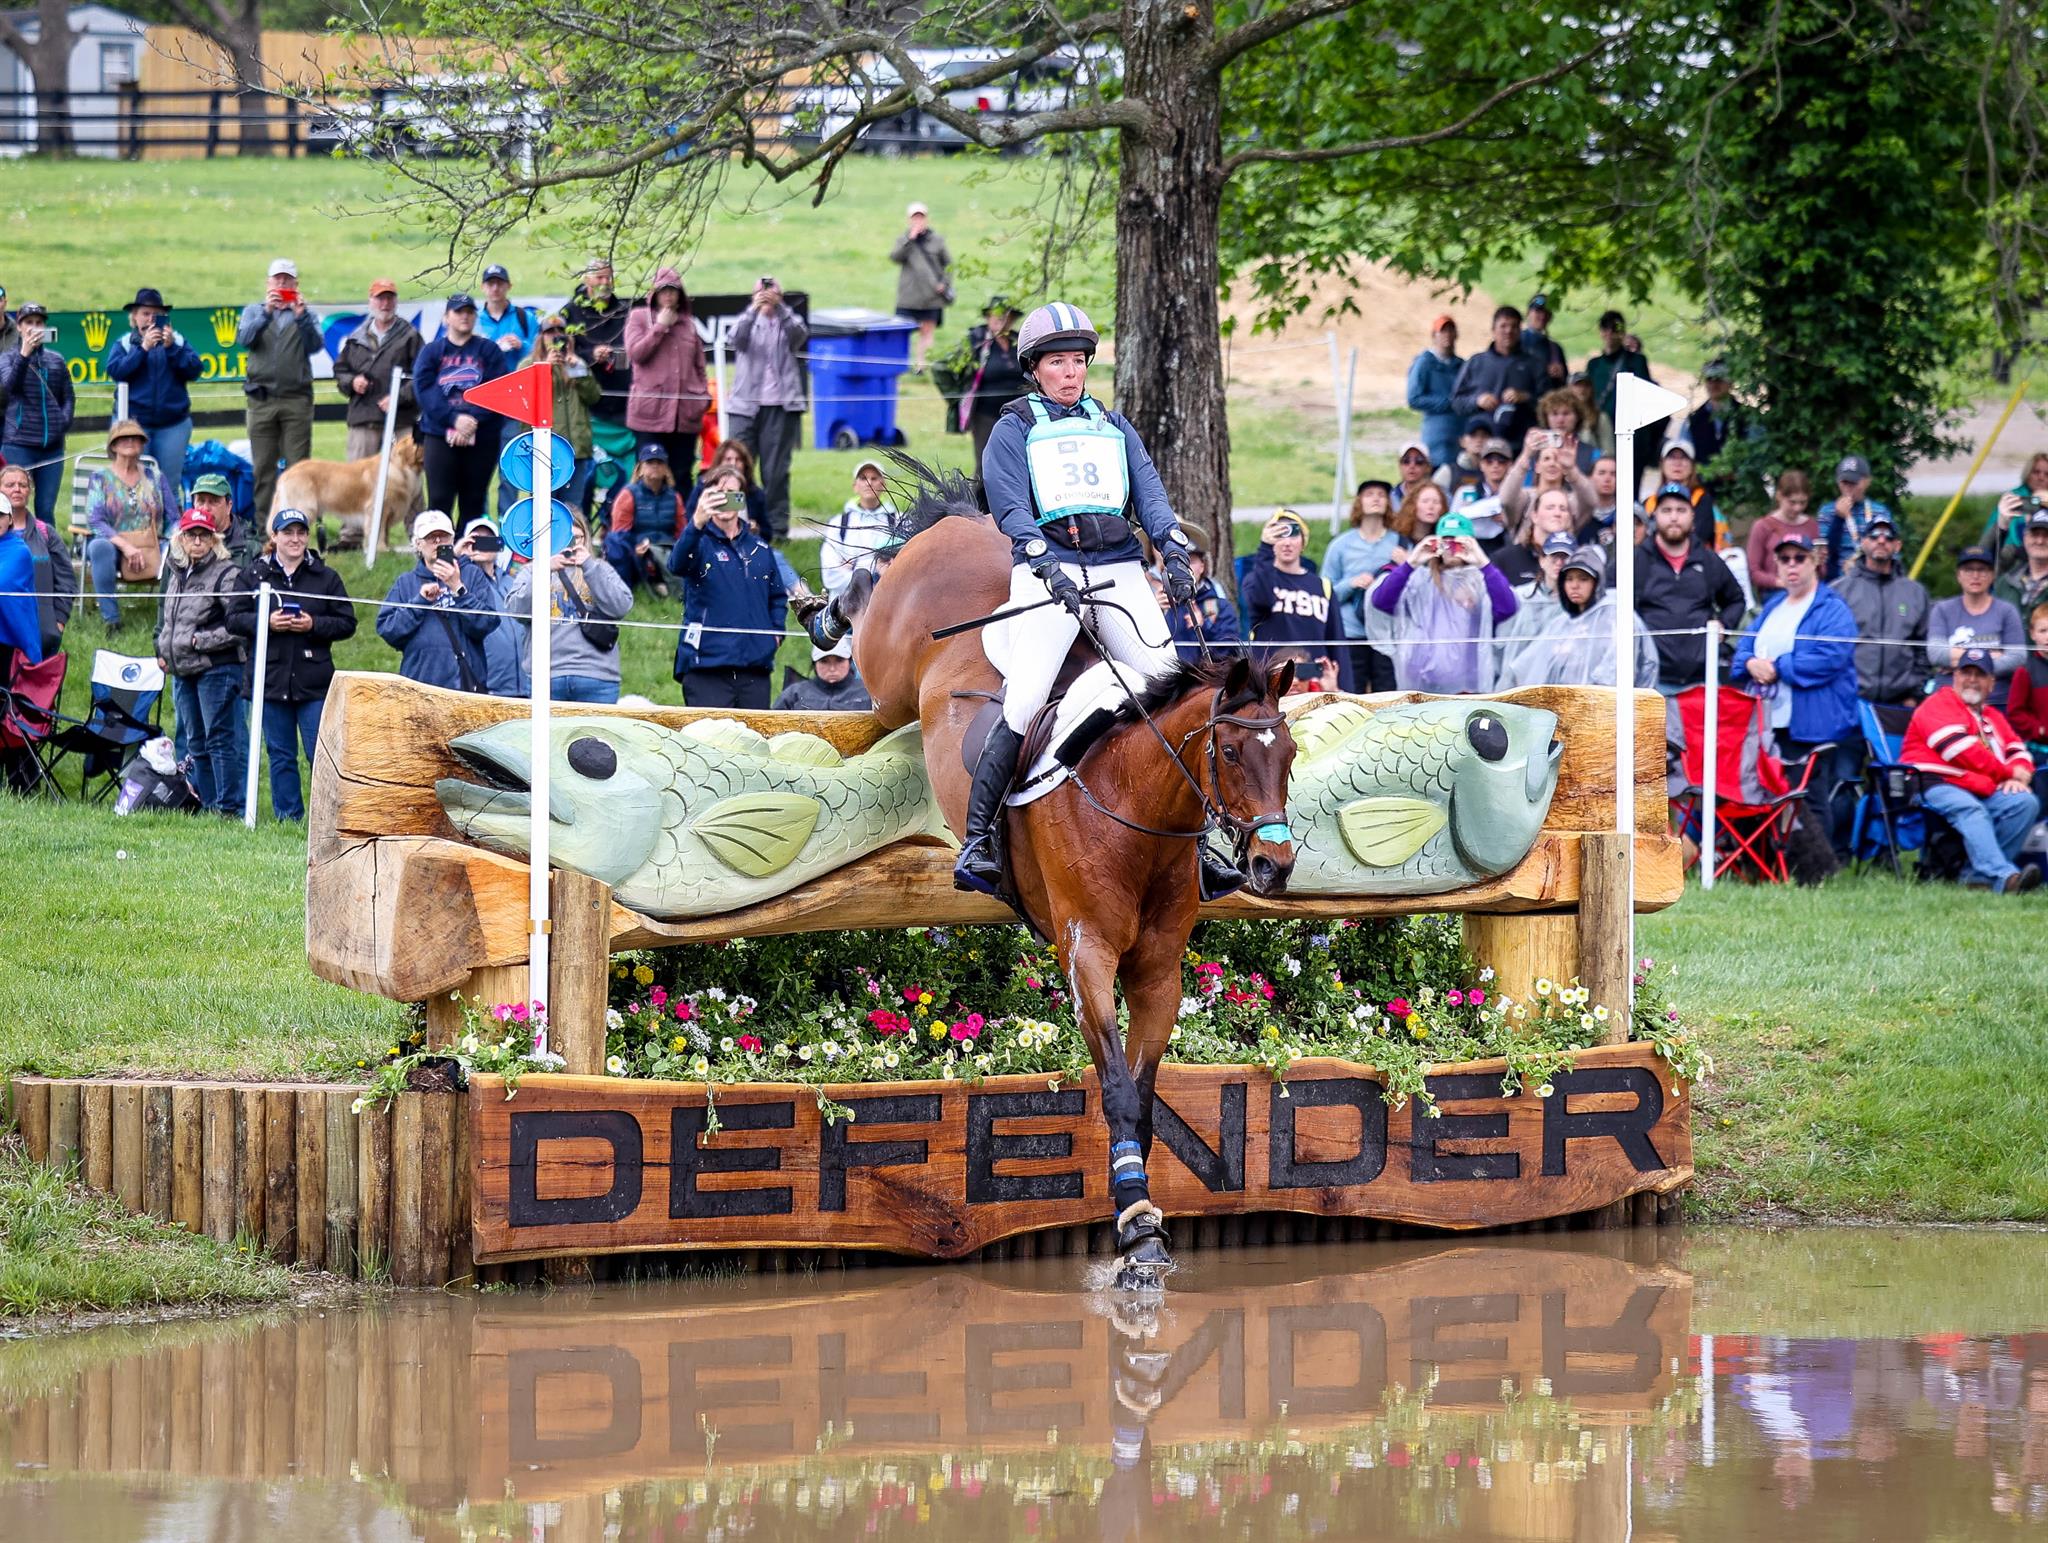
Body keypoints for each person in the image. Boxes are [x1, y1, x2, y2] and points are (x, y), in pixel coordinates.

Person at [962, 298, 1236, 898]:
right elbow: (1010, 508)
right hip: (1047, 573)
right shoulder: (1012, 430)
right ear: (1035, 367)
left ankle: (1207, 843)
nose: (1070, 372)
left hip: (1118, 572)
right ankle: (978, 838)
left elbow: (1150, 492)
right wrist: (1042, 564)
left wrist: (1172, 545)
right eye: (1057, 362)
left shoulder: (1111, 426)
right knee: (1027, 699)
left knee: (1175, 690)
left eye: (1078, 361)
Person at [1732, 532, 1861, 855]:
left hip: (1812, 720)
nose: (1792, 565)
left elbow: (1831, 656)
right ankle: (1773, 860)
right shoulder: (1773, 605)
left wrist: (1778, 667)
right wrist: (1750, 662)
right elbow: (1741, 649)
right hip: (1768, 719)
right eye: (1784, 559)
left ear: (1814, 562)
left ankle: (1820, 868)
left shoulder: (1832, 608)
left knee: (1811, 794)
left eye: (1799, 558)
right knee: (1769, 791)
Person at [226, 508, 356, 821]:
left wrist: (312, 624)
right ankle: (289, 818)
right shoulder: (254, 575)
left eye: (300, 532)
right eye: (288, 532)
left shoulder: (326, 577)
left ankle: (328, 819)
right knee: (281, 755)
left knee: (320, 754)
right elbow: (232, 619)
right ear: (275, 537)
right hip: (269, 679)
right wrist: (266, 622)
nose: (295, 539)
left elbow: (347, 622)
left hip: (313, 682)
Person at [1901, 647, 2040, 892]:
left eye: (1980, 674)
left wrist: (2021, 773)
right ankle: (2004, 876)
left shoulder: (1992, 716)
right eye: (1966, 672)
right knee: (1971, 809)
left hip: (1980, 786)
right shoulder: (1937, 704)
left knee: (2023, 803)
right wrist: (2008, 774)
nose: (1972, 680)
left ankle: (1977, 878)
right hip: (1936, 783)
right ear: (1955, 676)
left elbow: (2017, 750)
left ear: (1991, 683)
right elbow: (1961, 751)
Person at [668, 462, 787, 708]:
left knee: (754, 745)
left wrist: (775, 635)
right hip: (706, 667)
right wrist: (696, 524)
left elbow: (777, 598)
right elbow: (676, 565)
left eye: (732, 494)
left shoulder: (760, 549)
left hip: (754, 667)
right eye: (716, 494)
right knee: (709, 744)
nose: (724, 501)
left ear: (741, 499)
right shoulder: (697, 541)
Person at [155, 506, 249, 814]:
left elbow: (240, 624)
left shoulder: (227, 573)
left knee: (220, 740)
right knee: (195, 743)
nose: (197, 541)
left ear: (214, 539)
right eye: (191, 535)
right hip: (183, 670)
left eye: (204, 535)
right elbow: (169, 620)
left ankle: (230, 808)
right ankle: (209, 805)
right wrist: (164, 648)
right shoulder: (176, 572)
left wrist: (200, 642)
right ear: (181, 539)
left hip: (217, 668)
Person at [1369, 511, 1518, 694]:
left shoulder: (1482, 582)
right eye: (1446, 542)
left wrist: (1483, 563)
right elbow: (1381, 601)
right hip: (1420, 685)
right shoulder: (1420, 580)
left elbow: (1508, 608)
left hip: (1468, 688)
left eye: (1459, 542)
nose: (1452, 548)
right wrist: (1412, 562)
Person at [504, 521, 634, 703]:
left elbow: (621, 607)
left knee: (596, 732)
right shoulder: (532, 570)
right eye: (562, 538)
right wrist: (544, 570)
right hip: (547, 675)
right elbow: (517, 611)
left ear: (585, 539)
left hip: (597, 675)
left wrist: (589, 567)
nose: (569, 544)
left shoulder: (600, 568)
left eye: (575, 538)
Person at [1635, 483, 1746, 693]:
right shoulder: (1637, 560)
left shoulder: (1708, 560)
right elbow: (1609, 601)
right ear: (1655, 515)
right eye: (1666, 510)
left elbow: (1736, 599)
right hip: (1650, 681)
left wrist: (1724, 624)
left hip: (1701, 681)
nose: (1674, 517)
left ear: (1692, 516)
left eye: (1681, 510)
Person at [413, 293, 509, 535]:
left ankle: (467, 561)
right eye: (458, 312)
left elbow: (497, 389)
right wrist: (454, 421)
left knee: (473, 501)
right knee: (439, 501)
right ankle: (439, 560)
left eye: (469, 311)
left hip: (482, 437)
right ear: (447, 318)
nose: (464, 316)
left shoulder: (489, 350)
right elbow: (425, 390)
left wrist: (471, 421)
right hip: (440, 436)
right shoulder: (432, 351)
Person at [236, 260, 324, 519]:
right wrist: (266, 313)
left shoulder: (306, 315)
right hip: (261, 401)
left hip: (296, 400)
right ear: (268, 283)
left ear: (296, 285)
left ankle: (297, 523)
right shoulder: (253, 311)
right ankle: (264, 528)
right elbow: (244, 340)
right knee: (262, 468)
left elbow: (316, 345)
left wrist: (302, 318)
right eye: (278, 280)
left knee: (298, 468)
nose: (282, 285)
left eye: (288, 280)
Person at [1503, 545, 1659, 690]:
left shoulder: (1616, 618)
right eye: (1569, 579)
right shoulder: (1560, 624)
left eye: (1583, 579)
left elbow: (1615, 676)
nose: (1574, 585)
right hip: (1564, 711)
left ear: (1597, 582)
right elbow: (1527, 668)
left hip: (1605, 712)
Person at [375, 510, 498, 692]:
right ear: (418, 544)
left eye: (443, 536)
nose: (438, 542)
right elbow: (388, 630)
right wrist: (420, 602)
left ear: (453, 539)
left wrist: (459, 589)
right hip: (419, 688)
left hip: (465, 688)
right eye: (431, 537)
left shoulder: (471, 574)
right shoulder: (406, 582)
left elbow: (487, 624)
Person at [726, 275, 807, 542]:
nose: (766, 295)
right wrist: (753, 309)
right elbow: (734, 339)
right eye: (761, 291)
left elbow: (800, 336)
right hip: (744, 406)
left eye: (771, 291)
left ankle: (777, 530)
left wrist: (781, 308)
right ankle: (729, 523)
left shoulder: (788, 321)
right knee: (735, 468)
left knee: (775, 472)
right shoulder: (747, 320)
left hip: (780, 406)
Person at [104, 286, 202, 499]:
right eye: (145, 313)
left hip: (172, 425)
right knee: (133, 486)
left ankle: (168, 532)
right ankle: (135, 531)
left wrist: (171, 349)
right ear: (135, 317)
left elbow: (194, 370)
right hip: (134, 426)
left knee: (168, 486)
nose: (150, 319)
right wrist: (143, 349)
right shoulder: (124, 344)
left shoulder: (178, 342)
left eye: (156, 314)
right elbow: (117, 371)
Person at [1243, 510, 1351, 692]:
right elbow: (1261, 600)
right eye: (1278, 535)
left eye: (1293, 534)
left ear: (1303, 542)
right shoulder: (1256, 580)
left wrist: (1344, 692)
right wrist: (1264, 551)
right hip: (1270, 684)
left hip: (1314, 684)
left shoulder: (1322, 586)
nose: (1286, 542)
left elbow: (1337, 643)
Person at [1832, 512, 1929, 708]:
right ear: (1862, 542)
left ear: (1897, 545)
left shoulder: (1915, 593)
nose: (1881, 540)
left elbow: (1924, 648)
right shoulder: (1839, 591)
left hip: (1901, 702)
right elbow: (1829, 647)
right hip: (1851, 700)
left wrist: (1915, 693)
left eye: (1889, 536)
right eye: (1874, 535)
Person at [82, 420, 175, 624]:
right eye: (124, 437)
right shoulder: (100, 478)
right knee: (98, 547)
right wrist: (126, 547)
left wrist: (176, 540)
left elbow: (173, 518)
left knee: (178, 548)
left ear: (143, 444)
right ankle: (112, 620)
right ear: (113, 445)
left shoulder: (156, 477)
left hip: (154, 544)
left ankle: (169, 618)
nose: (130, 441)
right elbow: (95, 520)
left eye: (136, 437)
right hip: (114, 545)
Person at [623, 266, 710, 472]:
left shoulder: (689, 325)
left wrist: (702, 399)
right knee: (649, 474)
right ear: (655, 293)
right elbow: (636, 354)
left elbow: (700, 367)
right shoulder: (639, 317)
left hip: (685, 417)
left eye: (673, 290)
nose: (669, 294)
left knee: (682, 476)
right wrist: (660, 327)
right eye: (664, 290)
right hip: (649, 417)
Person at [333, 278, 423, 465]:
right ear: (370, 301)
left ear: (396, 301)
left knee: (404, 483)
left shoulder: (410, 336)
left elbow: (422, 376)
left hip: (401, 422)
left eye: (390, 298)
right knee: (358, 484)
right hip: (363, 420)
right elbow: (340, 371)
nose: (385, 304)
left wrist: (398, 397)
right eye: (380, 298)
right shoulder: (356, 338)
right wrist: (352, 382)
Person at [0, 303, 73, 522]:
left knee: (45, 508)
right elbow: (9, 388)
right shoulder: (8, 358)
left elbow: (68, 396)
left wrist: (62, 423)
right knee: (11, 504)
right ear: (19, 327)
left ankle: (46, 554)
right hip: (19, 443)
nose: (34, 327)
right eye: (29, 323)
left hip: (52, 448)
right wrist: (24, 355)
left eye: (39, 323)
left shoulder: (56, 360)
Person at [525, 312, 603, 516]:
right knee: (543, 509)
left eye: (561, 332)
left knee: (572, 511)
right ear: (541, 337)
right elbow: (525, 401)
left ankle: (570, 548)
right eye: (550, 332)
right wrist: (545, 368)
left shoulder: (576, 363)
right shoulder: (528, 365)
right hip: (544, 452)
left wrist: (578, 370)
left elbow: (593, 397)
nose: (556, 336)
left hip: (576, 451)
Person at [1927, 546, 2026, 703]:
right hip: (1948, 700)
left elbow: (2017, 657)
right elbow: (1936, 654)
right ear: (1958, 575)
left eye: (1982, 570)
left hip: (1995, 701)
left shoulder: (2007, 611)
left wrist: (1956, 661)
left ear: (1992, 575)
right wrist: (1988, 658)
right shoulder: (1942, 610)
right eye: (1968, 570)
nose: (1975, 576)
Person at [1, 466, 73, 657]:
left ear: (30, 491)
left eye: (23, 485)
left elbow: (66, 580)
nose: (17, 489)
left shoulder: (46, 533)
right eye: (10, 485)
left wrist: (58, 622)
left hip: (41, 629)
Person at [1450, 307, 1543, 452]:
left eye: (1514, 326)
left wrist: (1526, 397)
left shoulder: (1534, 364)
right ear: (1493, 330)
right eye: (1503, 326)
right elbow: (1456, 401)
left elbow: (1549, 402)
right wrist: (1477, 400)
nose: (1508, 331)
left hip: (1522, 446)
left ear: (1520, 331)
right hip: (1482, 446)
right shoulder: (1476, 363)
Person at [454, 516, 525, 697]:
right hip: (487, 685)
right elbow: (432, 567)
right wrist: (456, 556)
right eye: (475, 540)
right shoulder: (457, 580)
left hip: (525, 686)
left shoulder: (513, 581)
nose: (481, 545)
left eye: (488, 540)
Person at [1325, 480, 1403, 644]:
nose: (1376, 499)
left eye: (1382, 495)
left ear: (1388, 503)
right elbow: (1323, 594)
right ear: (1359, 502)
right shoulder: (1340, 545)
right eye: (1369, 494)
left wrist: (1407, 565)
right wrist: (1351, 583)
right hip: (1350, 633)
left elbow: (1414, 589)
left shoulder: (1400, 543)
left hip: (1388, 632)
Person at [604, 442, 684, 595]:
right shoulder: (628, 495)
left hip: (666, 550)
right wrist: (635, 549)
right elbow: (619, 534)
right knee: (616, 543)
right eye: (650, 462)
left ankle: (662, 584)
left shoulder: (675, 497)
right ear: (640, 468)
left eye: (659, 462)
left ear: (666, 469)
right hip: (637, 550)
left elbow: (681, 532)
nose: (655, 466)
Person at [1495, 529, 1574, 679]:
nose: (1559, 563)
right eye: (1554, 557)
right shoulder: (1521, 596)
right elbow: (1502, 646)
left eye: (1565, 558)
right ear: (1542, 560)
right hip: (1519, 684)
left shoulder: (1579, 603)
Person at [961, 299, 1028, 471]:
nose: (1000, 320)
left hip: (1021, 414)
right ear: (988, 318)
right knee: (986, 465)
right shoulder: (976, 342)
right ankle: (979, 498)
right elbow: (946, 369)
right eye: (995, 315)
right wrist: (958, 399)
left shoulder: (1020, 341)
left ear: (1012, 319)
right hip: (986, 414)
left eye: (1005, 316)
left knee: (1021, 461)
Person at [890, 202, 954, 371]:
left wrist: (944, 283)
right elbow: (895, 257)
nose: (918, 220)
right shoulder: (903, 240)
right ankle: (901, 365)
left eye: (921, 217)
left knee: (927, 332)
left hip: (931, 296)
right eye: (914, 217)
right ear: (909, 219)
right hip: (908, 297)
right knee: (903, 332)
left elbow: (949, 264)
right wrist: (910, 239)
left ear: (926, 219)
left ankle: (922, 366)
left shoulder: (937, 241)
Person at [822, 459, 897, 598]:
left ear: (884, 485)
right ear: (855, 486)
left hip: (885, 602)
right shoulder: (838, 524)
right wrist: (876, 576)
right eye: (863, 478)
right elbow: (830, 575)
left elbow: (903, 568)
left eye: (874, 478)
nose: (869, 482)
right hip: (846, 606)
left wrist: (854, 568)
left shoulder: (898, 522)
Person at [1817, 454, 1896, 583]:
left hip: (1873, 578)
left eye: (1854, 482)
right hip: (1838, 580)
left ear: (1867, 482)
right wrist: (1838, 518)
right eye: (1845, 482)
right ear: (1838, 482)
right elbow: (1824, 555)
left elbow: (1890, 548)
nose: (1849, 487)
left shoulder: (1879, 511)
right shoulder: (1827, 512)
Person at [1162, 542, 1242, 663]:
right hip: (1169, 679)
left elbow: (1229, 654)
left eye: (1191, 562)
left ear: (1202, 566)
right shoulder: (1162, 604)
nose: (1186, 568)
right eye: (1180, 562)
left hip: (1205, 679)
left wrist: (1204, 627)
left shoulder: (1221, 607)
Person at [1745, 471, 1819, 596]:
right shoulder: (1763, 526)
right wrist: (1781, 582)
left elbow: (1820, 571)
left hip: (1807, 592)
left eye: (1803, 502)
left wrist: (1820, 561)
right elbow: (1754, 572)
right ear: (1779, 496)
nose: (1797, 508)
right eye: (1792, 502)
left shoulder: (1811, 525)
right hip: (1775, 593)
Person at [1405, 315, 1464, 470]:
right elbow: (1414, 398)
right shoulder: (1424, 363)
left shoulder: (1461, 365)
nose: (1447, 335)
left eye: (1451, 331)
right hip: (1436, 436)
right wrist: (1448, 403)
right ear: (1434, 336)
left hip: (1459, 435)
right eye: (1442, 331)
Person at [1500, 437, 1594, 532]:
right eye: (1546, 459)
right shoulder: (1525, 498)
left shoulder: (1570, 501)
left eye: (1557, 460)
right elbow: (1505, 500)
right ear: (1537, 466)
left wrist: (1571, 469)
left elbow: (1591, 501)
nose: (1552, 463)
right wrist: (1525, 455)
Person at [1495, 487, 1581, 585]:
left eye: (1563, 509)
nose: (1557, 513)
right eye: (1550, 508)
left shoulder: (1578, 559)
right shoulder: (1505, 558)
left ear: (1569, 518)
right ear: (1534, 516)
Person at [684, 439, 768, 531]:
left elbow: (767, 531)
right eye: (728, 459)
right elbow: (690, 520)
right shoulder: (704, 487)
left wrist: (756, 529)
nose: (733, 464)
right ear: (719, 463)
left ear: (745, 464)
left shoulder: (755, 493)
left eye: (738, 460)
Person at [774, 634, 874, 711]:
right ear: (814, 664)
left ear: (850, 662)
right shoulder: (794, 693)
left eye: (839, 660)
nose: (832, 668)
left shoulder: (868, 693)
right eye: (824, 661)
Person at [1584, 311, 1651, 423]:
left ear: (1622, 332)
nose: (1610, 332)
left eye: (1614, 328)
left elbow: (1643, 396)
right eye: (1605, 327)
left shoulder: (1637, 361)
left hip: (1627, 424)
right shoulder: (1594, 364)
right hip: (1600, 424)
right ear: (1601, 332)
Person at [1980, 452, 2048, 559]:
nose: (2041, 477)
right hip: (2011, 549)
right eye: (2036, 472)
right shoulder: (2013, 498)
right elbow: (1986, 544)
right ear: (2028, 473)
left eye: (2047, 474)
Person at [1575, 455, 1634, 559]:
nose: (1607, 479)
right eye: (1601, 473)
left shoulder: (1629, 513)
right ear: (1589, 478)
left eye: (1613, 474)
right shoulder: (1579, 513)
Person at [1992, 506, 2048, 616]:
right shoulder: (2005, 583)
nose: (2040, 541)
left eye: (2047, 535)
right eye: (2034, 534)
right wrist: (2001, 526)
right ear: (2024, 538)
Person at [1532, 387, 1599, 473]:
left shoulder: (1593, 454)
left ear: (1577, 417)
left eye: (1566, 413)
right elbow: (1526, 484)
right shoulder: (1535, 452)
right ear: (1546, 418)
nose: (1560, 420)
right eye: (1554, 414)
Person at [1688, 359, 1737, 474]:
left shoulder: (1746, 417)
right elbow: (1685, 453)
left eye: (1719, 379)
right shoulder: (1694, 419)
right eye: (1709, 379)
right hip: (1702, 486)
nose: (1714, 384)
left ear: (1730, 382)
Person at [1433, 416, 1493, 502]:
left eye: (1484, 436)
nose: (1479, 440)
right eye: (1473, 435)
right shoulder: (1448, 471)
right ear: (1462, 441)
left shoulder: (1497, 471)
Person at [1566, 369, 1615, 455]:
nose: (1582, 389)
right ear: (1569, 388)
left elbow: (1608, 450)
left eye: (1586, 385)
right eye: (1578, 385)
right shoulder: (1560, 415)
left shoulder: (1600, 417)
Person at [1392, 441, 1433, 513]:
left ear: (1428, 467)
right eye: (1406, 461)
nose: (1412, 466)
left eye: (1419, 461)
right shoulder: (1390, 497)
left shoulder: (1441, 496)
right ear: (1399, 466)